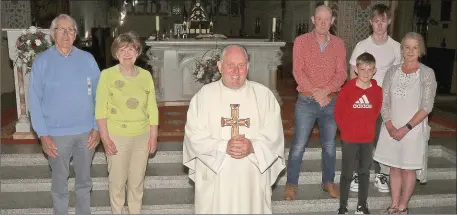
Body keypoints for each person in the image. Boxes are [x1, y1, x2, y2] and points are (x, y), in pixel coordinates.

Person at [183, 44, 285, 214]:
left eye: (241, 65)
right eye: (230, 65)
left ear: (248, 67)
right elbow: (194, 136)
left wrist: (252, 146)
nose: (236, 71)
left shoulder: (264, 96)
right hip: (216, 177)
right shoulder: (203, 97)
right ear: (220, 66)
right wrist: (224, 146)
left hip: (251, 177)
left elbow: (274, 135)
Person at [28, 14, 100, 215]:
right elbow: (34, 100)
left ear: (76, 35)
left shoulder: (88, 59)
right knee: (60, 184)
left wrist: (97, 127)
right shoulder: (41, 62)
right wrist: (42, 134)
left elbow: (100, 96)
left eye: (71, 30)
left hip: (86, 133)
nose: (66, 34)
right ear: (53, 34)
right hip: (56, 135)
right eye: (61, 29)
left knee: (84, 182)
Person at [284, 4, 347, 200]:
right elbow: (298, 71)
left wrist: (326, 92)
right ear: (313, 20)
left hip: (331, 102)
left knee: (329, 146)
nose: (322, 23)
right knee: (298, 145)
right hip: (306, 102)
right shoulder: (301, 41)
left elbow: (342, 73)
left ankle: (328, 182)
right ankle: (291, 184)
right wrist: (316, 93)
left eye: (326, 19)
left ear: (332, 22)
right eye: (319, 19)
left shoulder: (339, 44)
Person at [95, 31, 159, 214]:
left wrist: (153, 135)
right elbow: (100, 110)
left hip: (142, 135)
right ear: (116, 53)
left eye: (131, 49)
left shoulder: (146, 76)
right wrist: (105, 138)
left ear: (138, 52)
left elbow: (152, 107)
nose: (126, 53)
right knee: (117, 182)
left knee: (137, 182)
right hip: (116, 135)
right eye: (122, 49)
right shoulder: (107, 75)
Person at [373, 32, 437, 214]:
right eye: (407, 47)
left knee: (408, 169)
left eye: (414, 47)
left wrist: (406, 128)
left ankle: (403, 207)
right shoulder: (392, 71)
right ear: (401, 50)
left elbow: (427, 106)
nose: (410, 51)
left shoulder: (427, 73)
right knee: (394, 167)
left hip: (413, 129)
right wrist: (390, 125)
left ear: (421, 50)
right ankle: (394, 205)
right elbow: (383, 101)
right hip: (391, 128)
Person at [348, 3, 401, 193]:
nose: (380, 25)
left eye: (383, 21)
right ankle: (357, 173)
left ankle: (381, 174)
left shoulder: (396, 47)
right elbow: (353, 73)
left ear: (389, 21)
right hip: (364, 100)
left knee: (381, 138)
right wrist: (355, 99)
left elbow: (399, 76)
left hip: (385, 101)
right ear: (371, 22)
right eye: (376, 21)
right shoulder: (362, 45)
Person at [334, 52, 382, 214]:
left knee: (363, 172)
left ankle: (362, 204)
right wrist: (346, 130)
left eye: (370, 69)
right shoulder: (347, 89)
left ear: (375, 70)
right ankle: (343, 205)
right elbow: (338, 113)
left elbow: (376, 112)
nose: (366, 73)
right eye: (362, 69)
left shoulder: (377, 91)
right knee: (347, 173)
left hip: (367, 138)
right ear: (356, 69)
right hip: (349, 138)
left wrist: (368, 128)